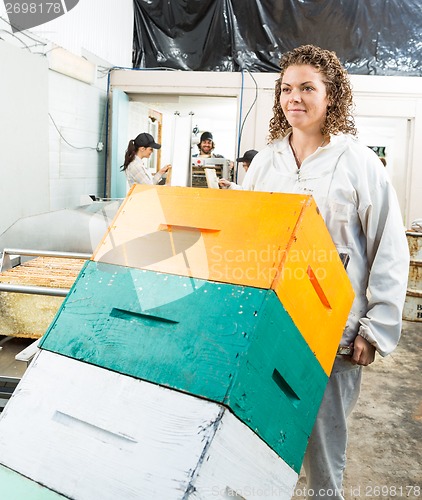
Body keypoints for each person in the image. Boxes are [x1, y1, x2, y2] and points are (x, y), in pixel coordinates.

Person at [241, 45, 409, 499]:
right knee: (261, 431)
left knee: (323, 445)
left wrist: (374, 330)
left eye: (307, 88)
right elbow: (245, 237)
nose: (294, 97)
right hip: (271, 323)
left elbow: (388, 250)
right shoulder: (266, 162)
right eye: (287, 88)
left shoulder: (357, 161)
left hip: (334, 330)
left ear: (331, 95)